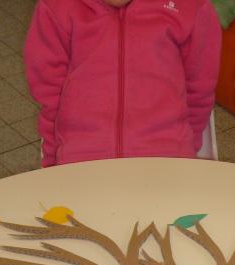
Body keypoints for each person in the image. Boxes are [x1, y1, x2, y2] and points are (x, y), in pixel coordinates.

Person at [24, 0, 221, 167]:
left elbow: (199, 90)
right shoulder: (56, 7)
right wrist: (52, 160)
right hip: (80, 158)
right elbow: (50, 95)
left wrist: (185, 147)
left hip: (168, 156)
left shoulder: (191, 6)